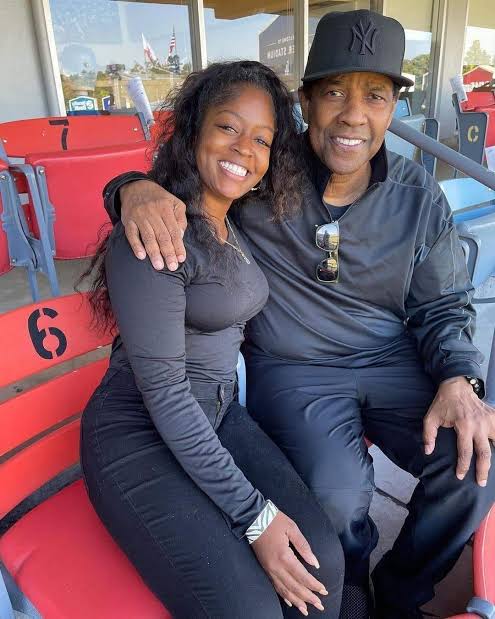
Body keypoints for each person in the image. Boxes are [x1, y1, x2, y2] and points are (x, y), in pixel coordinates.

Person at [101, 11, 495, 619]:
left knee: (475, 467)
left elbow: (443, 304)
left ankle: (401, 593)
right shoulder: (263, 173)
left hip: (389, 360)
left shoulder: (417, 195)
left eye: (375, 96)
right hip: (295, 367)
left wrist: (459, 377)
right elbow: (191, 180)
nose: (353, 115)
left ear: (392, 108)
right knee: (338, 497)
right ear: (306, 101)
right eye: (334, 92)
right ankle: (352, 587)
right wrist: (129, 187)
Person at [80, 61, 346, 619]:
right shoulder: (156, 233)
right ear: (194, 130)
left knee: (320, 562)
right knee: (249, 609)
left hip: (219, 413)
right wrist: (253, 516)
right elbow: (165, 393)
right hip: (140, 432)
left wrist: (127, 184)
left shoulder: (238, 220)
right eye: (228, 127)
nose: (244, 148)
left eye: (262, 139)